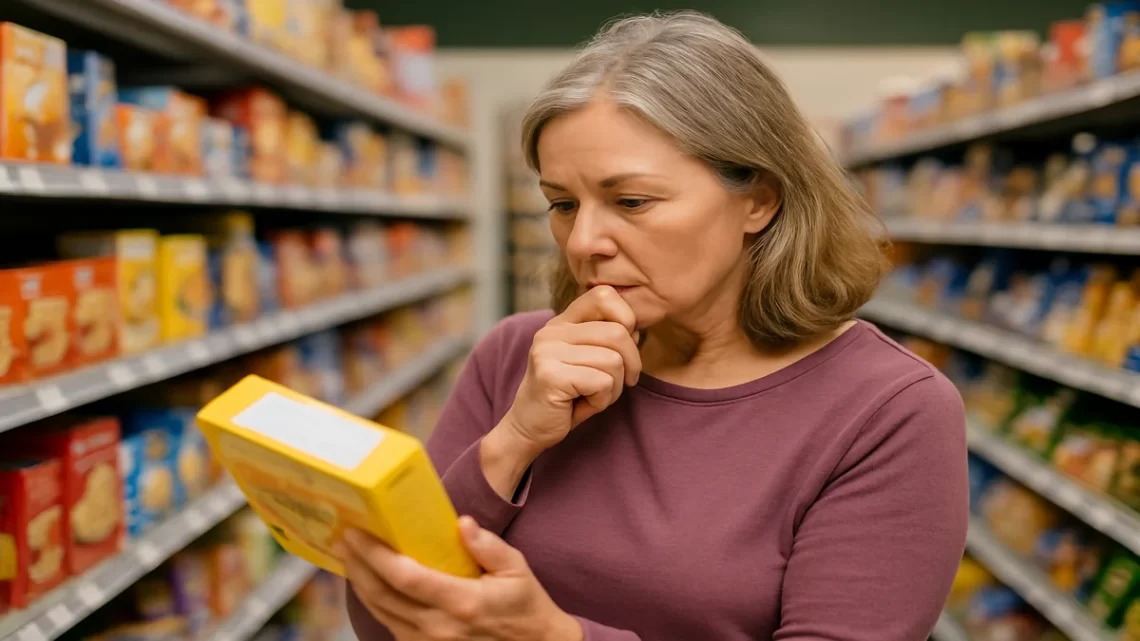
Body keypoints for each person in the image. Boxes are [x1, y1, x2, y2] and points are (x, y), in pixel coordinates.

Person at [341, 10, 968, 641]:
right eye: (562, 203)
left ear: (759, 198)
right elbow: (381, 619)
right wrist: (514, 440)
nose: (583, 241)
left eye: (632, 201)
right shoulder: (517, 356)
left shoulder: (889, 411)